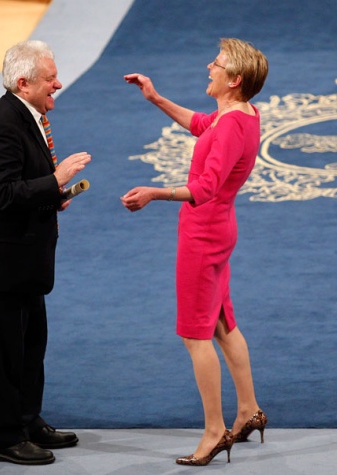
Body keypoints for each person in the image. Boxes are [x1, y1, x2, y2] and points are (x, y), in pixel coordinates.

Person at [121, 38, 269, 466]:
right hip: (221, 229)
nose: (210, 67)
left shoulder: (230, 126)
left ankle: (214, 431)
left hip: (203, 236)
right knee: (222, 322)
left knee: (195, 333)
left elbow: (205, 189)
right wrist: (155, 97)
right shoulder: (243, 114)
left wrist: (154, 192)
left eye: (217, 64)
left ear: (235, 79)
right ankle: (248, 411)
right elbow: (203, 124)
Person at [0, 40, 91, 466]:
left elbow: (20, 187)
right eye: (51, 79)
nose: (59, 84)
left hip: (22, 259)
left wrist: (53, 195)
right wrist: (54, 180)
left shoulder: (27, 114)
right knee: (5, 353)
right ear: (23, 82)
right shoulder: (2, 125)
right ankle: (5, 437)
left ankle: (28, 420)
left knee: (31, 345)